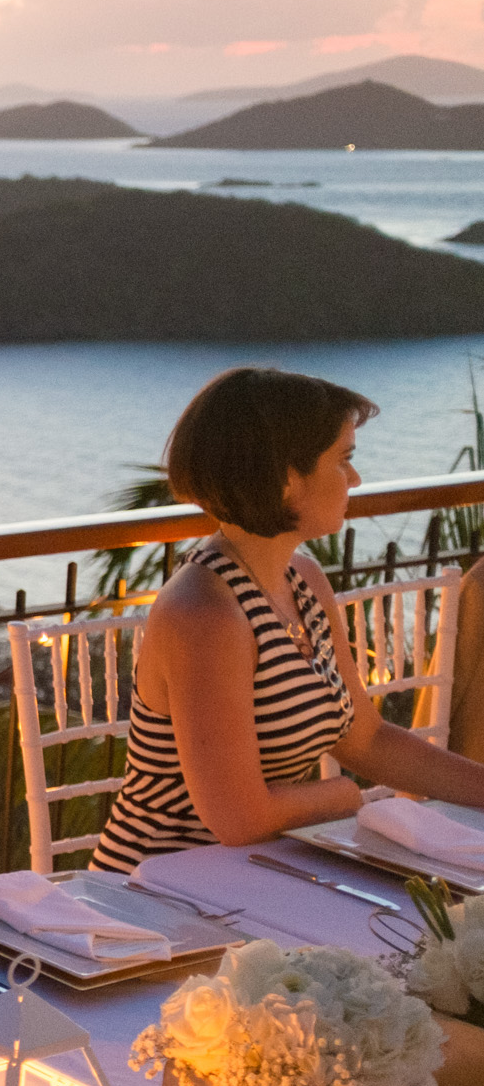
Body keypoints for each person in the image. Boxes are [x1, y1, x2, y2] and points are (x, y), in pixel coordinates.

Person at [94, 367, 484, 872]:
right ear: (285, 478)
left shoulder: (302, 579)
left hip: (262, 871)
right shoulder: (205, 614)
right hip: (165, 889)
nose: (356, 479)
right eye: (343, 460)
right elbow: (238, 818)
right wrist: (343, 795)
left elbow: (363, 738)